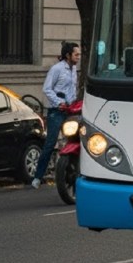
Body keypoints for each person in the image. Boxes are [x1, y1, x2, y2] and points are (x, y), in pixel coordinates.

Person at [31, 42, 80, 189]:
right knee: (50, 144)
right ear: (68, 55)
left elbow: (73, 90)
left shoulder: (74, 69)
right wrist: (59, 102)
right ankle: (38, 177)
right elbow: (47, 89)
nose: (78, 57)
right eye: (76, 54)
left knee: (76, 141)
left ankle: (73, 173)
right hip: (56, 112)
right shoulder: (56, 69)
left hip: (71, 111)